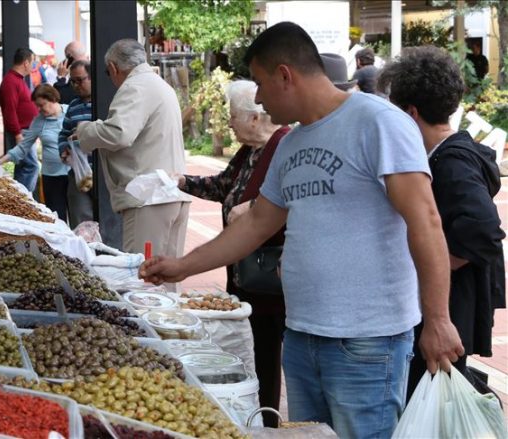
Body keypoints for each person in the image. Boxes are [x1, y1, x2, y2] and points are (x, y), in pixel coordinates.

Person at [139, 22, 464, 438]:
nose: (256, 97)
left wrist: (438, 319)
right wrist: (183, 266)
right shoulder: (290, 144)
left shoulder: (377, 122)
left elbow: (426, 221)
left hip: (366, 342)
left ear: (284, 75)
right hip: (302, 335)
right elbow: (257, 222)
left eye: (258, 82)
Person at [377, 46, 505, 401]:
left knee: (434, 403)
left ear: (411, 113)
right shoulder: (446, 154)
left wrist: (431, 264)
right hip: (449, 304)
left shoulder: (452, 162)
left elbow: (483, 231)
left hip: (448, 308)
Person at [177, 80, 289, 427]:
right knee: (248, 347)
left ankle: (264, 420)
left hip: (268, 270)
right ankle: (248, 414)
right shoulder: (249, 151)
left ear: (255, 118)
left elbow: (287, 200)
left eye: (233, 116)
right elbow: (223, 185)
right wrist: (183, 182)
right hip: (241, 266)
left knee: (266, 350)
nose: (228, 124)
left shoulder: (283, 145)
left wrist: (254, 206)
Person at [77, 39, 190, 288]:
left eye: (108, 73)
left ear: (113, 67)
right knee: (166, 282)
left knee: (144, 281)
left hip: (149, 197)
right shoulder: (160, 85)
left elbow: (119, 133)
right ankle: (168, 327)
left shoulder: (136, 86)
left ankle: (153, 328)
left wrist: (87, 130)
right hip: (170, 193)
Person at [0, 84, 70, 220]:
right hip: (52, 177)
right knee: (57, 218)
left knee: (79, 215)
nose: (39, 109)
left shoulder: (69, 112)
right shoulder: (38, 121)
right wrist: (0, 161)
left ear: (53, 99)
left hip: (73, 175)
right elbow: (23, 147)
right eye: (37, 105)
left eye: (42, 105)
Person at [58, 60, 95, 228]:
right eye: (72, 81)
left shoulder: (106, 103)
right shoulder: (73, 106)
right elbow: (64, 134)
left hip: (104, 174)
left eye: (80, 80)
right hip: (79, 176)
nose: (76, 85)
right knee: (81, 222)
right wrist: (64, 149)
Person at [0, 48, 40, 192]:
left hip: (24, 130)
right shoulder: (11, 82)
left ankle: (20, 195)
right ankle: (24, 198)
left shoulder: (16, 80)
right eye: (33, 62)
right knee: (31, 166)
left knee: (24, 166)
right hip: (21, 132)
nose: (33, 66)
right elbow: (10, 110)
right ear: (26, 63)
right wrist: (18, 134)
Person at [54, 41, 88, 105]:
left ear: (70, 57)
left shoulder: (78, 73)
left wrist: (61, 78)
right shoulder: (91, 68)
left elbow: (61, 98)